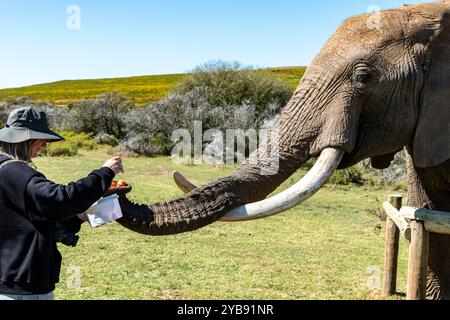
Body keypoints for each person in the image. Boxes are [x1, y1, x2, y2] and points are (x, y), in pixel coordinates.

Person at [0, 107, 124, 300]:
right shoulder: (14, 172)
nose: (45, 145)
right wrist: (105, 173)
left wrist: (78, 217)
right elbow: (60, 199)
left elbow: (32, 218)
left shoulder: (6, 171)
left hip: (16, 283)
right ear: (27, 139)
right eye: (42, 139)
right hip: (23, 290)